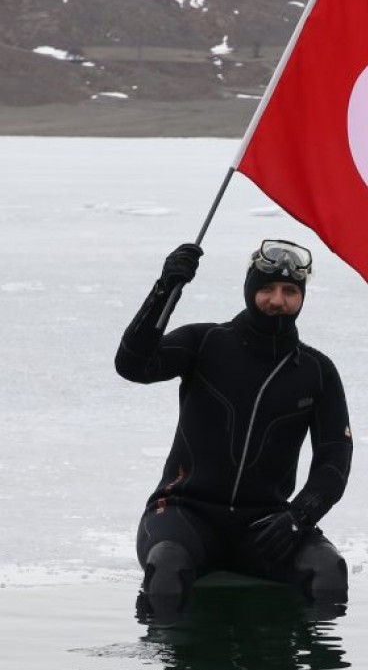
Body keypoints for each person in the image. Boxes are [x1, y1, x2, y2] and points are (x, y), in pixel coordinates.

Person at [115, 239, 354, 626]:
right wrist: (165, 289)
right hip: (185, 513)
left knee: (328, 571)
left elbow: (334, 462)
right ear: (249, 289)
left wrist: (298, 517)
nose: (277, 300)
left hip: (265, 524)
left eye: (290, 291)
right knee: (167, 566)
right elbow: (132, 365)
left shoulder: (316, 370)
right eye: (266, 289)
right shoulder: (204, 342)